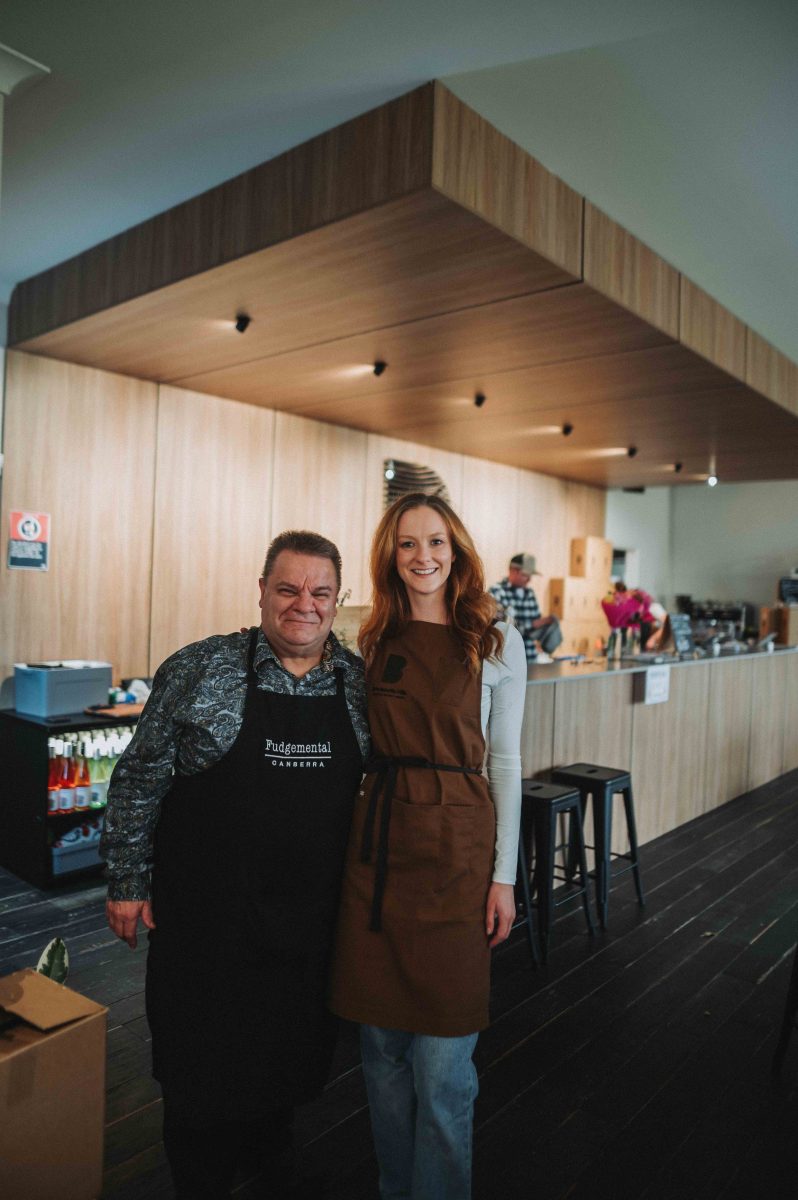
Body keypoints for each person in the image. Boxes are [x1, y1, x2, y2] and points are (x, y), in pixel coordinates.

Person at [100, 530, 367, 1200]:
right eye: (287, 588)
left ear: (339, 601)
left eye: (319, 591)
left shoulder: (359, 685)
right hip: (206, 918)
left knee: (288, 1055)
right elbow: (138, 779)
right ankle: (200, 1179)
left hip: (307, 922)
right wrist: (127, 883)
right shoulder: (199, 669)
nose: (303, 604)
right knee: (198, 1069)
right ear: (261, 591)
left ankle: (272, 1156)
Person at [329, 493, 527, 1200]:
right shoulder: (369, 636)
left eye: (436, 542)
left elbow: (504, 763)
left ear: (457, 549)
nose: (423, 557)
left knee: (444, 1069)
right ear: (391, 555)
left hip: (459, 850)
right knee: (380, 1055)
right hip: (378, 853)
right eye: (408, 544)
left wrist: (503, 878)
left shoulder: (496, 639)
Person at [489, 553, 557, 662]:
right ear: (513, 570)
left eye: (530, 576)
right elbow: (502, 629)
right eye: (525, 575)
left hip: (529, 659)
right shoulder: (496, 592)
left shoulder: (530, 594)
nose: (529, 580)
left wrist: (547, 628)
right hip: (506, 660)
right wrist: (535, 624)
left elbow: (535, 627)